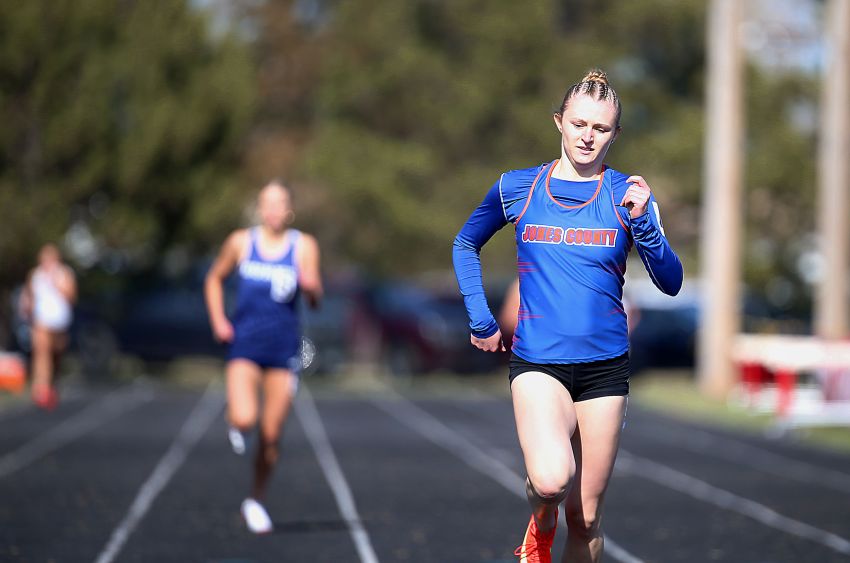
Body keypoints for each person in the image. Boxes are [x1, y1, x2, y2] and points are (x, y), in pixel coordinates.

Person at [452, 69, 683, 562]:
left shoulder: (629, 196)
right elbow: (466, 242)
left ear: (615, 134)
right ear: (559, 121)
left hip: (605, 369)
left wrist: (644, 224)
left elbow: (671, 280)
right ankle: (539, 521)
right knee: (552, 479)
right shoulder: (519, 187)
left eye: (600, 128)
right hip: (539, 363)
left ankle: (556, 519)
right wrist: (481, 318)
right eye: (579, 124)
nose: (587, 136)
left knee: (588, 518)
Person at [205, 180, 322, 534]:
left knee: (271, 435)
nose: (273, 210)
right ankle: (234, 420)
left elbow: (316, 298)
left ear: (289, 210)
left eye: (280, 203)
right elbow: (214, 278)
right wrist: (219, 321)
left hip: (283, 350)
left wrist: (311, 285)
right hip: (244, 345)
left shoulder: (303, 246)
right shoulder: (241, 242)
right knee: (245, 417)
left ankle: (255, 501)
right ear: (260, 208)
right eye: (267, 203)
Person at [20, 244, 77, 410]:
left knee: (56, 354)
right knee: (41, 352)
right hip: (41, 320)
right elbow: (29, 295)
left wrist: (55, 283)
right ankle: (41, 389)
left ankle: (53, 384)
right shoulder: (35, 274)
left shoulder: (64, 273)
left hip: (59, 322)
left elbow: (72, 296)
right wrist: (27, 308)